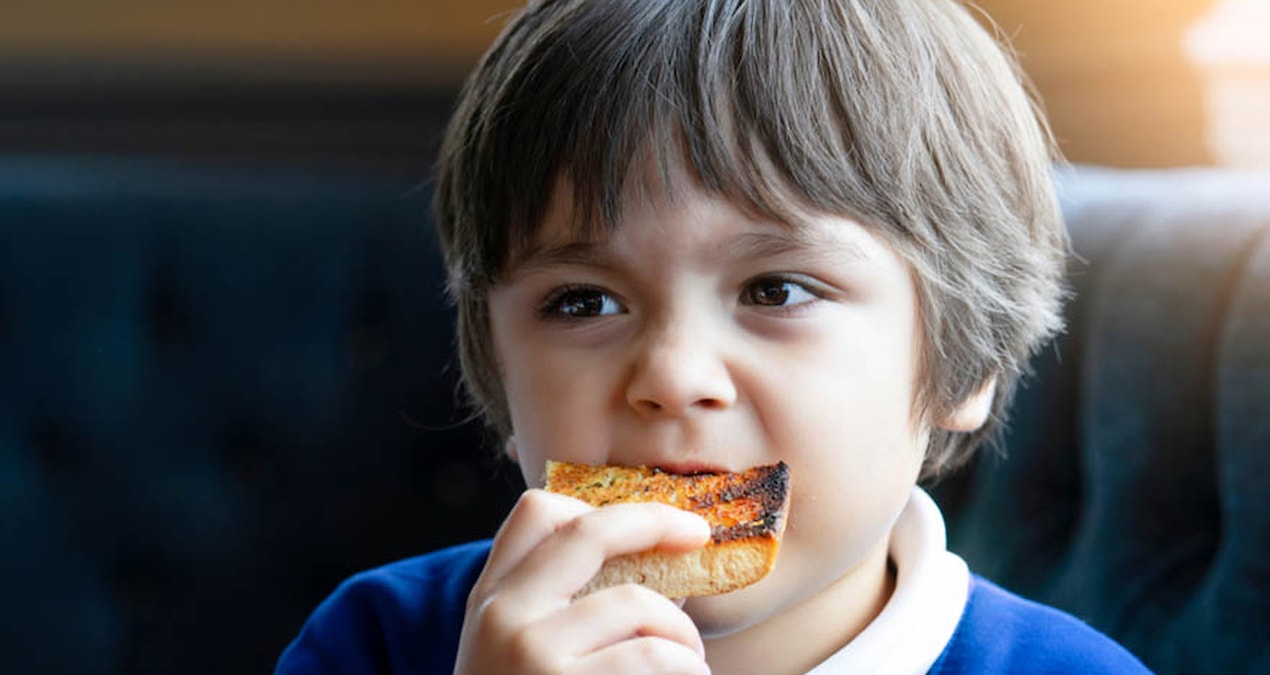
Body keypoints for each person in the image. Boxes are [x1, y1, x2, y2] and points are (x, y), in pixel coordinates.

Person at [277, 0, 1153, 672]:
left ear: (963, 364)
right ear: (502, 378)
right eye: (583, 301)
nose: (672, 374)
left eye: (775, 289)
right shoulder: (378, 640)